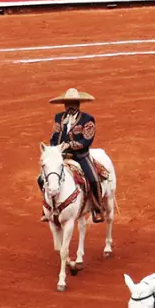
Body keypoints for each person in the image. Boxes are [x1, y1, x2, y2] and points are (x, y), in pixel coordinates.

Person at [49, 88, 104, 221]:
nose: (70, 106)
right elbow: (54, 137)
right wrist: (54, 149)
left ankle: (97, 209)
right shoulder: (58, 118)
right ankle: (48, 209)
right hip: (61, 156)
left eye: (73, 103)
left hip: (80, 156)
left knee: (93, 179)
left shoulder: (88, 119)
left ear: (78, 104)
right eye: (68, 103)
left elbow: (87, 140)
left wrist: (70, 145)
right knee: (44, 178)